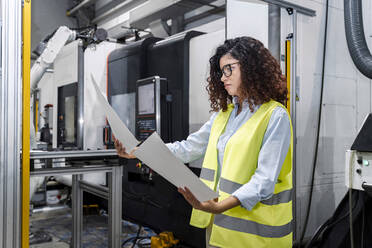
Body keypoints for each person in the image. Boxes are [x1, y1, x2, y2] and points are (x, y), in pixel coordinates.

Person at [114, 36, 293, 248]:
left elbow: (264, 181)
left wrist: (220, 206)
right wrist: (138, 151)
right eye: (221, 72)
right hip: (219, 225)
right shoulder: (223, 116)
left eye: (229, 69)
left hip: (256, 233)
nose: (222, 78)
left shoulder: (275, 115)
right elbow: (188, 149)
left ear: (251, 68)